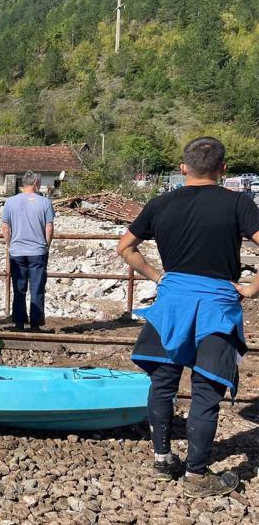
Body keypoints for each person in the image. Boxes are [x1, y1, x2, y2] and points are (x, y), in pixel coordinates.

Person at [118, 137, 259, 497]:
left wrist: (154, 275)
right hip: (216, 306)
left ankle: (163, 459)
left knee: (163, 385)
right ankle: (197, 474)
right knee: (205, 390)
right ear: (223, 169)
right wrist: (252, 287)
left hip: (172, 305)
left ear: (183, 169)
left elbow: (125, 247)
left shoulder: (161, 203)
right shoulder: (238, 202)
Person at [2, 171, 55, 331]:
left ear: (23, 184)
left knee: (19, 288)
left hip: (17, 251)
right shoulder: (45, 202)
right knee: (37, 288)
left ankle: (19, 322)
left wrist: (9, 245)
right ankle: (35, 324)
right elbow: (49, 228)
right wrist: (47, 245)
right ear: (36, 183)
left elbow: (5, 228)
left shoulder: (10, 202)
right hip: (37, 251)